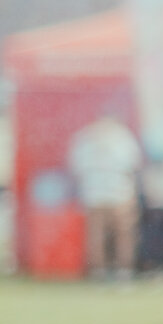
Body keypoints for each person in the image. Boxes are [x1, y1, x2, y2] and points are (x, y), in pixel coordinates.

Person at [68, 112, 143, 280]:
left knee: (97, 235)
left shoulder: (84, 138)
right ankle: (123, 271)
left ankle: (99, 271)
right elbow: (133, 165)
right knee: (122, 235)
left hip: (94, 194)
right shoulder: (122, 137)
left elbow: (76, 168)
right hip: (119, 193)